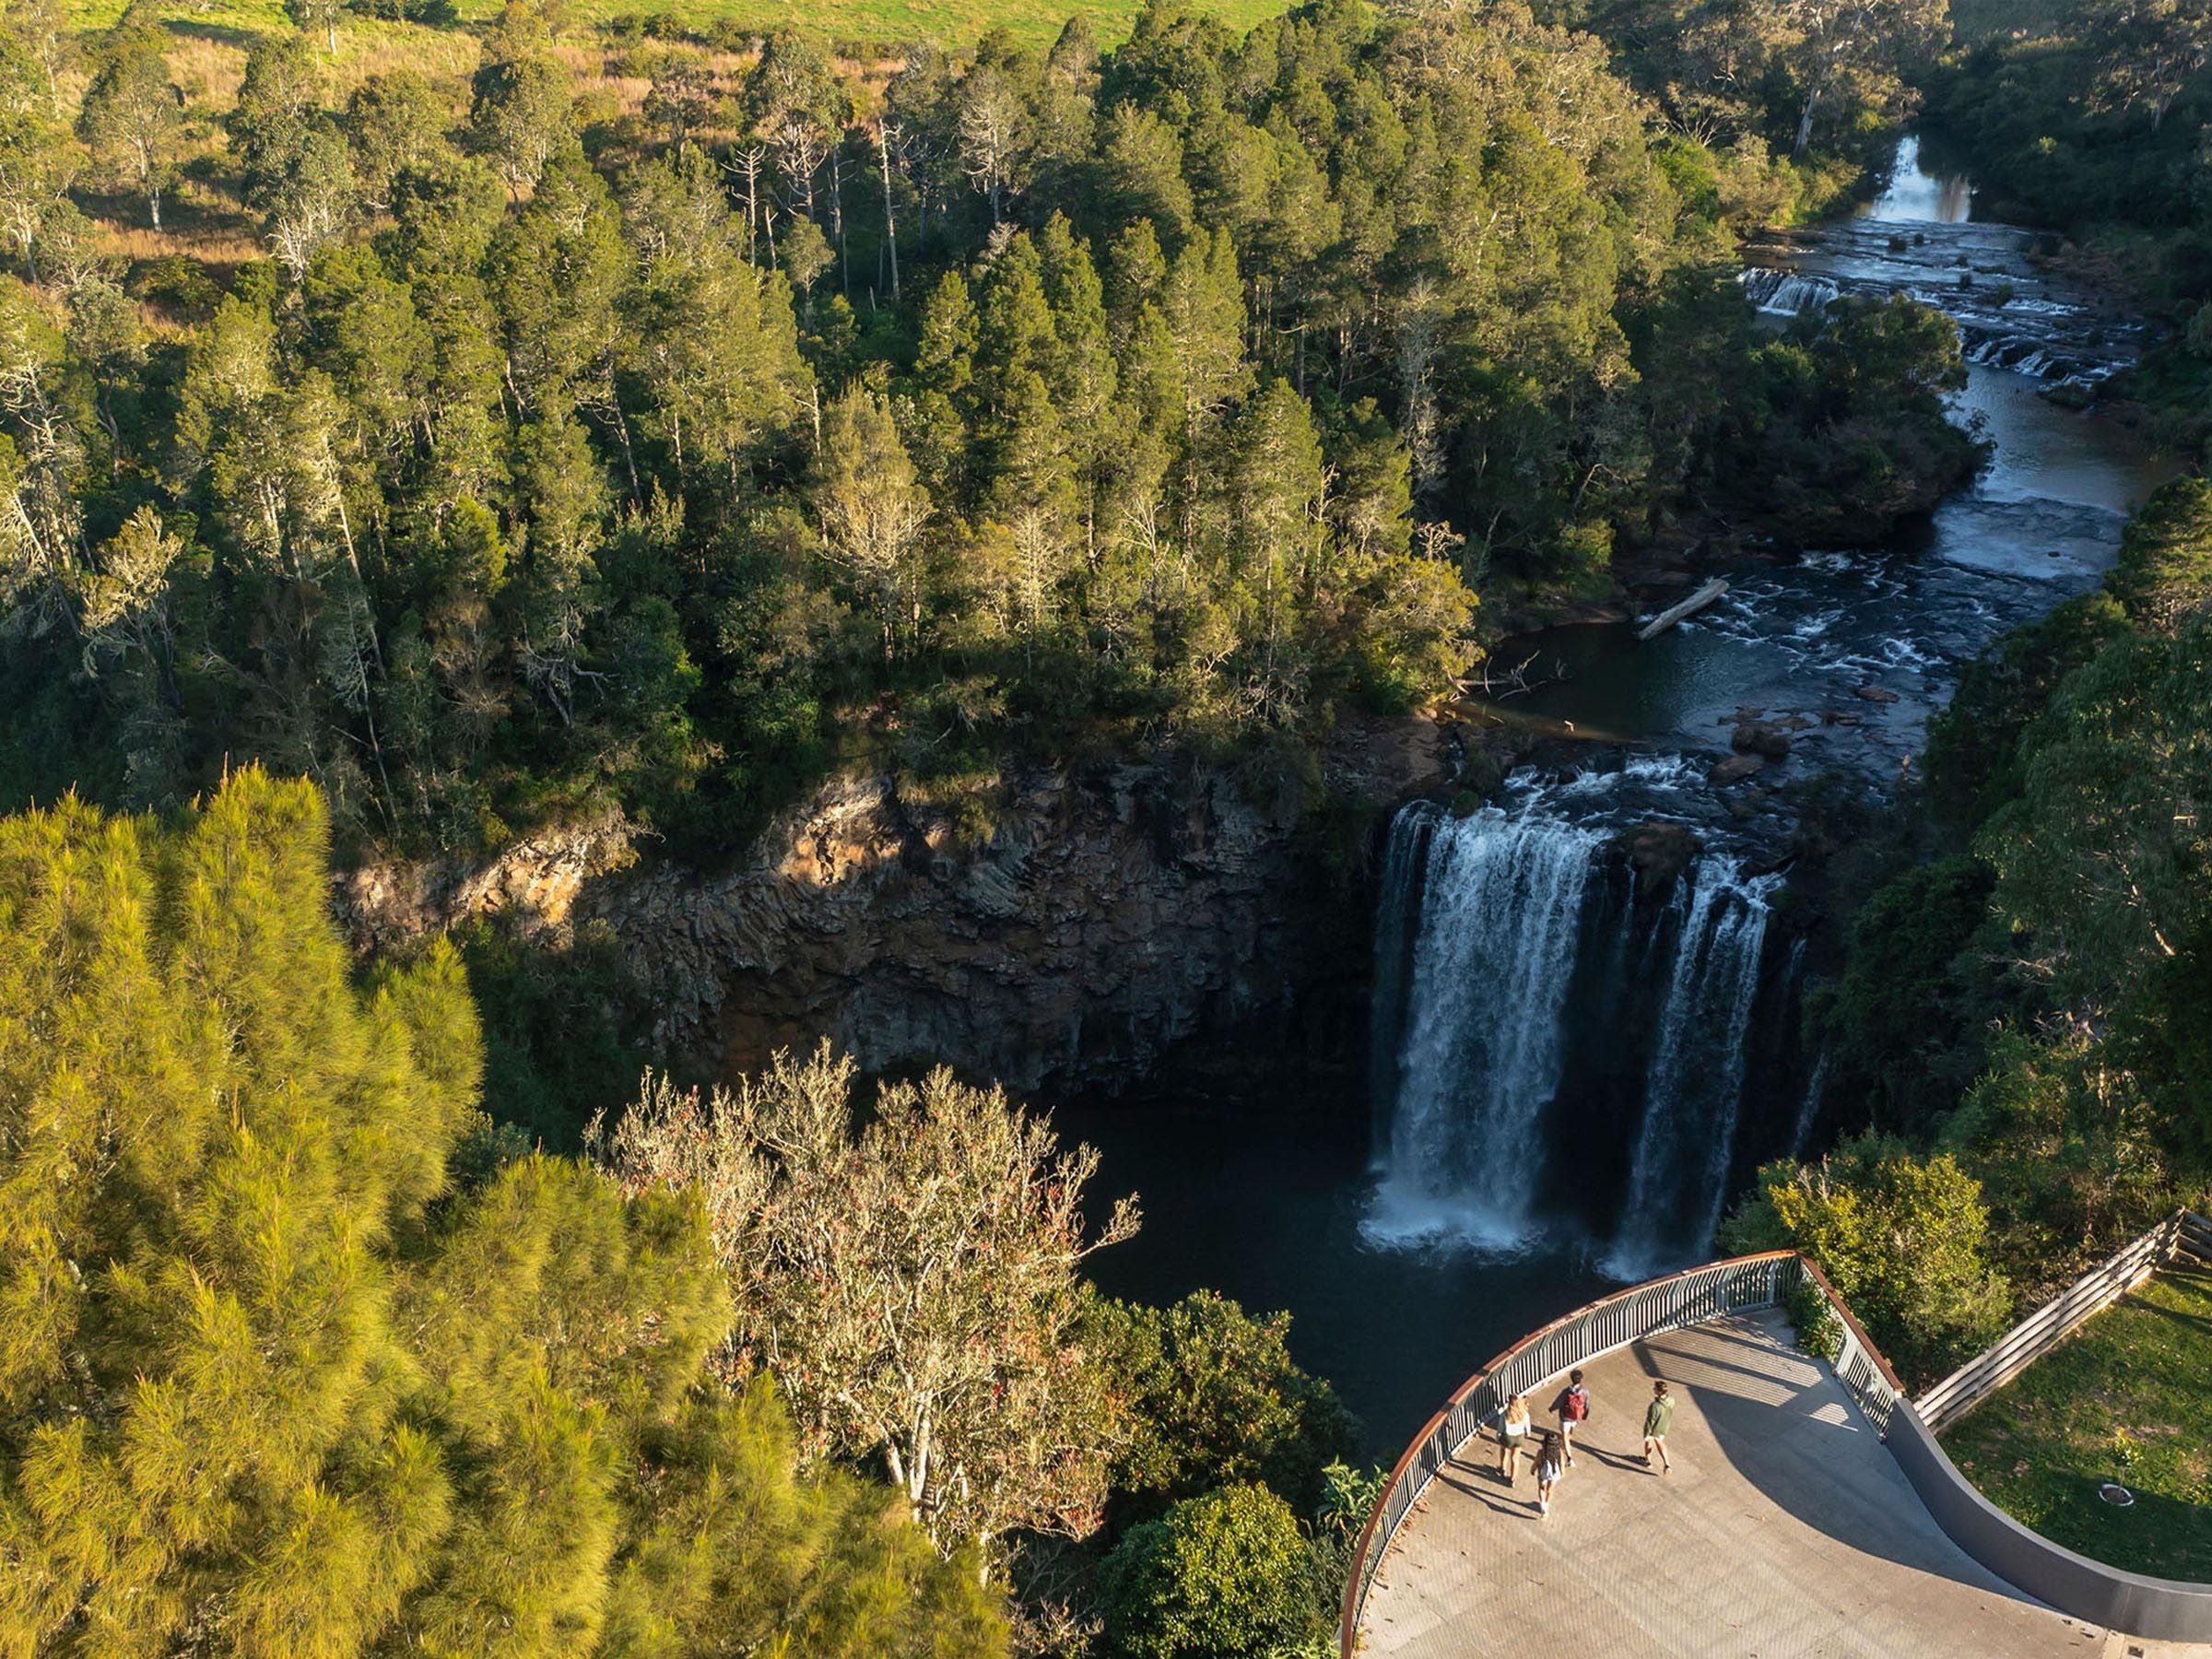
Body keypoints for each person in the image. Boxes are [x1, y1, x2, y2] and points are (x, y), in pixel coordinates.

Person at [1551, 1369, 1590, 1467]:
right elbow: (1587, 1405)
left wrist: (1552, 1408)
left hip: (1565, 1417)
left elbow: (1558, 1402)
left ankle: (1569, 1458)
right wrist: (1584, 1415)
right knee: (1569, 1434)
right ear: (1581, 1379)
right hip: (1576, 1417)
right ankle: (1564, 1445)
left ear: (1571, 1379)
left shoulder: (1566, 1391)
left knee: (1564, 1435)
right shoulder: (1585, 1392)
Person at [1497, 1392, 1532, 1484]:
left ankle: (1503, 1468)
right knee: (1515, 1458)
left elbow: (1500, 1428)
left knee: (1504, 1450)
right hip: (1519, 1437)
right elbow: (1527, 1424)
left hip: (1508, 1437)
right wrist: (1528, 1433)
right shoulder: (1524, 1413)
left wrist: (1498, 1436)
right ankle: (1513, 1479)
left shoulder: (1505, 1414)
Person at [1642, 1381, 1676, 1473]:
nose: (1653, 1389)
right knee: (1659, 1441)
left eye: (1655, 1388)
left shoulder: (1655, 1406)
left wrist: (1647, 1433)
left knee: (1649, 1442)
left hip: (1654, 1428)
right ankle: (1666, 1464)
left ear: (1659, 1391)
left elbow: (1650, 1421)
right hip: (1664, 1425)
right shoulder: (1672, 1400)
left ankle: (1648, 1461)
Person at [1534, 1430, 1566, 1517]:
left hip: (1543, 1473)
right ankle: (1547, 1505)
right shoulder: (1559, 1452)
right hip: (1555, 1474)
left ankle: (1542, 1505)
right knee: (1550, 1490)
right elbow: (1562, 1464)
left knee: (1541, 1488)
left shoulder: (1541, 1452)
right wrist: (1562, 1472)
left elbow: (1537, 1462)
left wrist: (1533, 1470)